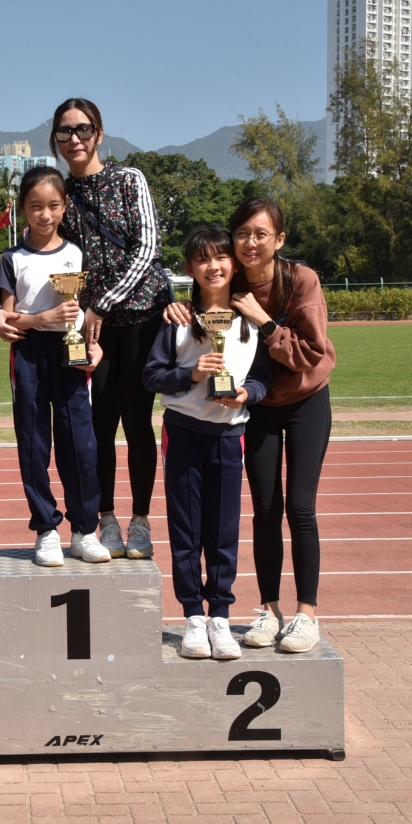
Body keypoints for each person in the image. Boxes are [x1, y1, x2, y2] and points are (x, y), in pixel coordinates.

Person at [0, 98, 171, 560]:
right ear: (54, 139)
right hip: (87, 331)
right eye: (64, 131)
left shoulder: (128, 179)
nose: (74, 138)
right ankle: (100, 521)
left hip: (137, 318)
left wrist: (102, 305)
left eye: (83, 129)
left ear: (99, 133)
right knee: (95, 428)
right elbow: (28, 265)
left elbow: (147, 248)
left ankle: (140, 520)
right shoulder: (58, 193)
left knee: (137, 422)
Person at [164, 197, 336, 653]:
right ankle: (268, 609)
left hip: (306, 398)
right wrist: (175, 307)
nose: (250, 243)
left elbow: (310, 354)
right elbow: (204, 290)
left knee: (300, 507)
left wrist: (264, 322)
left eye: (261, 234)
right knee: (264, 509)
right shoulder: (232, 277)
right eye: (242, 234)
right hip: (256, 404)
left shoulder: (301, 279)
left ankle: (307, 614)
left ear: (279, 239)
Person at [143, 227, 269, 660]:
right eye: (202, 259)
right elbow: (152, 376)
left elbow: (262, 377)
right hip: (182, 432)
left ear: (233, 262)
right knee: (186, 530)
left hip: (229, 436)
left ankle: (220, 616)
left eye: (220, 257)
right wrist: (192, 374)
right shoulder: (177, 319)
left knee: (223, 531)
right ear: (190, 268)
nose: (212, 266)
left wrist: (246, 394)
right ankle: (193, 616)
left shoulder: (251, 318)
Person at [0, 165, 106, 566]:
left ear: (64, 206)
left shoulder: (77, 253)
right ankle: (46, 529)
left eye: (53, 205)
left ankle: (85, 530)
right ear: (23, 208)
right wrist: (42, 318)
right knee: (34, 443)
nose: (45, 214)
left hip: (71, 353)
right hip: (29, 352)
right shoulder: (13, 258)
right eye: (36, 206)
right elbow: (9, 320)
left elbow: (89, 311)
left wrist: (95, 347)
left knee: (81, 445)